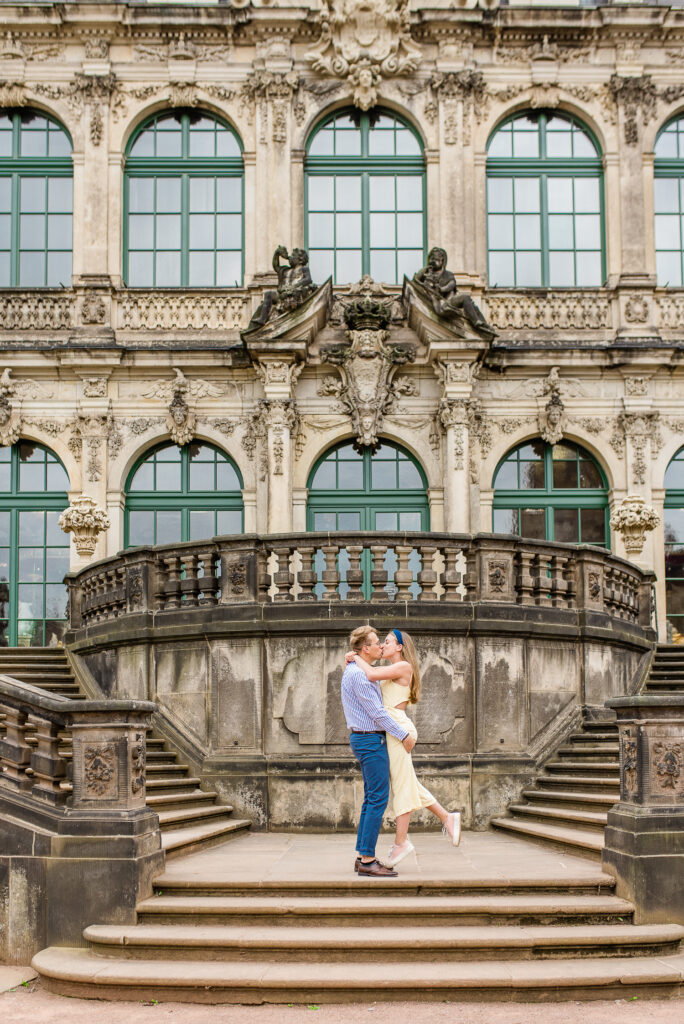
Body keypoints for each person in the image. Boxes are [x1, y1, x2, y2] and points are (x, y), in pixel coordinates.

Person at [345, 627, 461, 867]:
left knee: (402, 785)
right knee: (407, 782)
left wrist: (356, 657)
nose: (383, 645)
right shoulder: (386, 669)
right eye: (380, 642)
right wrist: (356, 657)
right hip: (391, 730)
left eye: (386, 641)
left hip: (398, 729)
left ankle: (401, 842)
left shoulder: (403, 666)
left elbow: (368, 674)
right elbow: (367, 673)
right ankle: (447, 818)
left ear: (399, 647)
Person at [340, 624, 416, 878]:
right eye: (376, 642)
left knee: (371, 798)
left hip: (367, 739)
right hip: (370, 740)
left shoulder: (357, 669)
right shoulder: (359, 674)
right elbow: (377, 713)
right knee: (378, 799)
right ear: (366, 648)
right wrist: (403, 734)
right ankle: (368, 860)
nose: (380, 646)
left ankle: (363, 855)